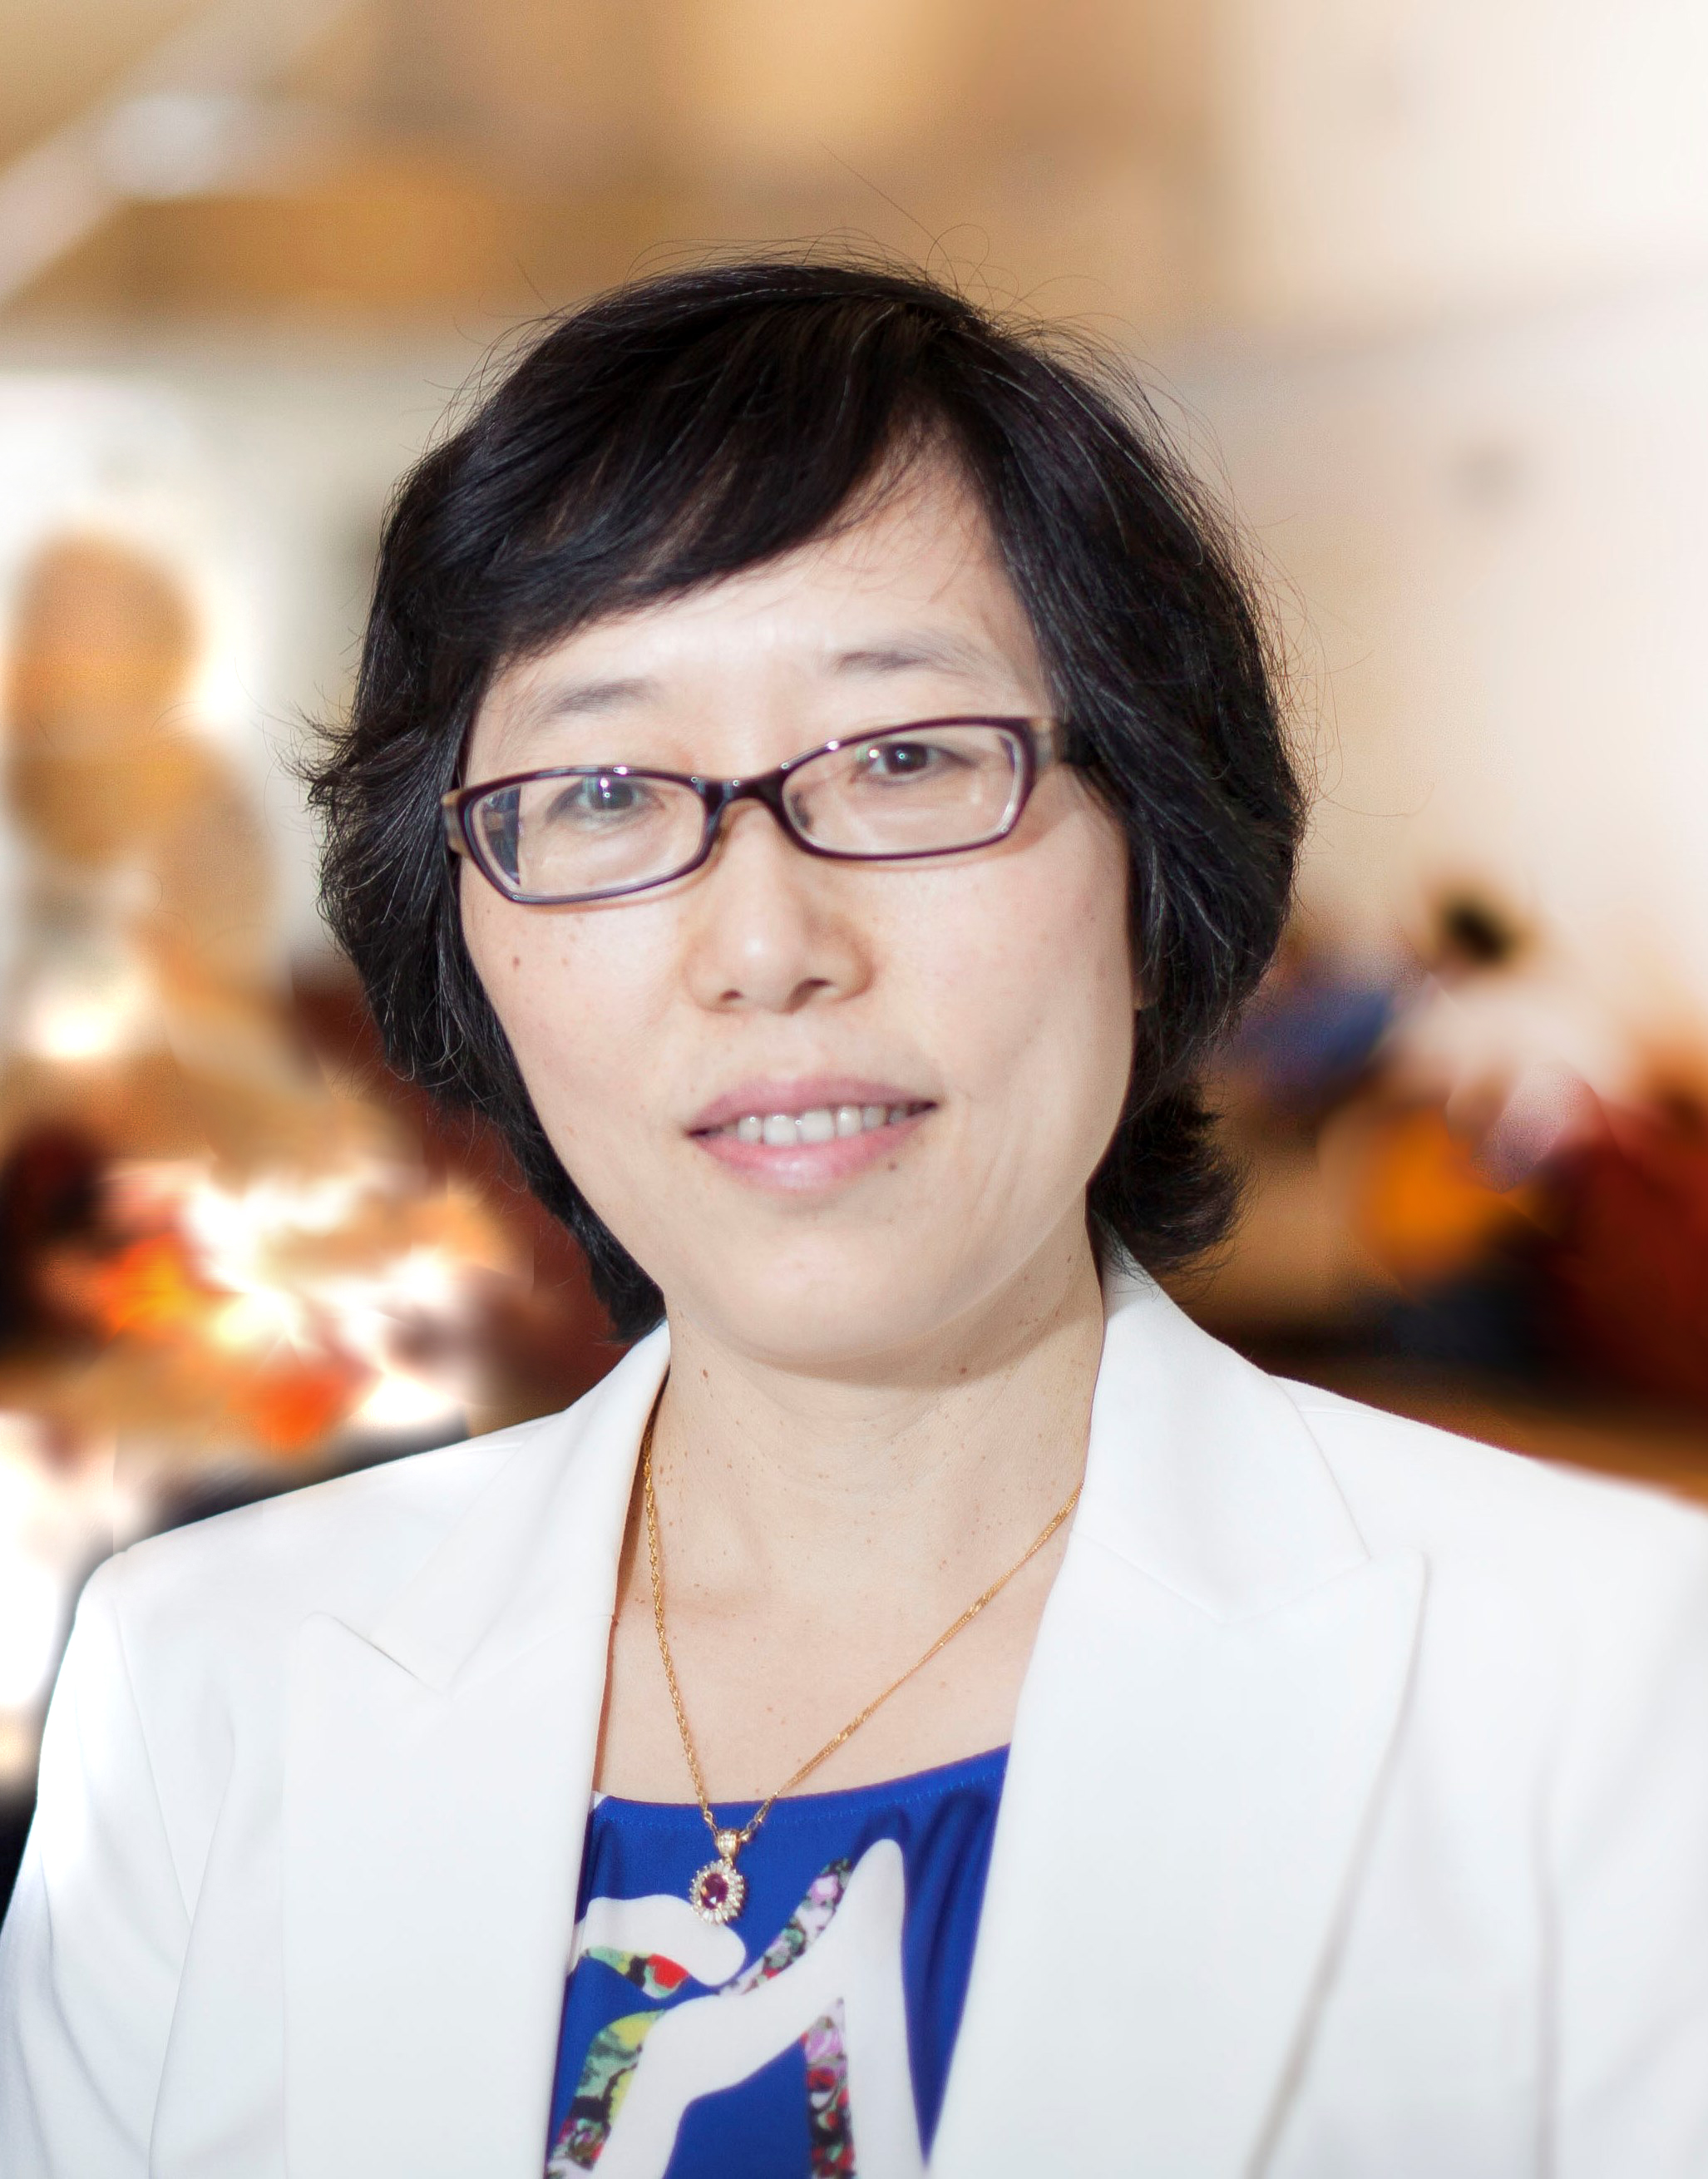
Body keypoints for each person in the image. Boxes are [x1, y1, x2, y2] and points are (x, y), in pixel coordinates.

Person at [2, 259, 1706, 2179]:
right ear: (461, 924)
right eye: (602, 789)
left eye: (904, 759)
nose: (763, 943)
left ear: (1156, 843)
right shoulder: (203, 1683)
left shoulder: (1609, 1684)